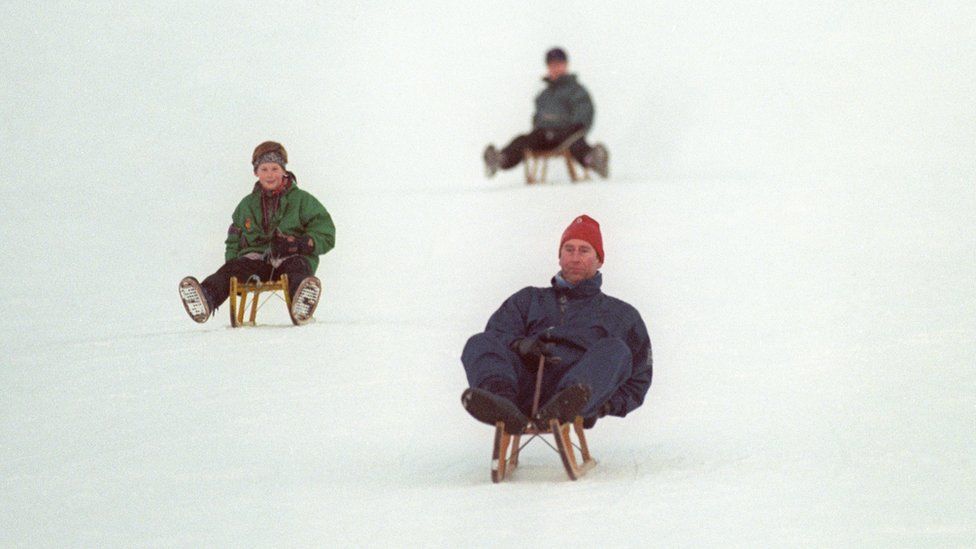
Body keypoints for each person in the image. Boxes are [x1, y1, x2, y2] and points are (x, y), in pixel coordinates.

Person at [460, 215, 651, 433]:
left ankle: (566, 404)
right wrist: (520, 345)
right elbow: (495, 338)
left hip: (576, 396)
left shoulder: (621, 315)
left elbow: (639, 377)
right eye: (569, 250)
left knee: (616, 350)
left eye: (584, 250)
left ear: (599, 260)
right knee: (478, 342)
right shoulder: (528, 300)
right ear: (559, 257)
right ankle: (501, 404)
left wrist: (604, 406)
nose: (575, 258)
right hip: (523, 388)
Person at [179, 141, 336, 325]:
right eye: (264, 169)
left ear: (284, 170)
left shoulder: (302, 200)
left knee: (297, 269)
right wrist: (232, 268)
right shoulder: (246, 205)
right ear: (256, 172)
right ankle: (207, 297)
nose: (270, 175)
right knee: (233, 269)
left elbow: (326, 232)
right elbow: (233, 239)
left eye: (275, 168)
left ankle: (302, 302)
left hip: (290, 256)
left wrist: (301, 243)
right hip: (257, 262)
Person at [483, 47, 609, 179]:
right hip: (543, 134)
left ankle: (593, 159)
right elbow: (537, 117)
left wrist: (578, 125)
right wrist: (539, 125)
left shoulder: (576, 90)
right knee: (522, 141)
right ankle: (500, 159)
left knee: (575, 143)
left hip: (566, 133)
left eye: (559, 64)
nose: (555, 68)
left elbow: (584, 110)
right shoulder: (544, 94)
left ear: (566, 65)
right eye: (552, 65)